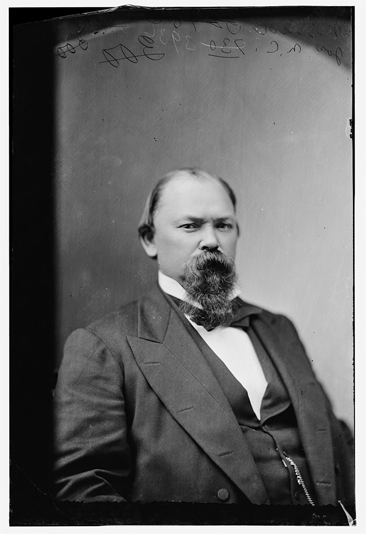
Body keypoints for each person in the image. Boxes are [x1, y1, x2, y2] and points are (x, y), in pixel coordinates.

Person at [53, 168, 354, 507]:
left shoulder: (278, 327)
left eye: (223, 225)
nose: (211, 240)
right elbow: (85, 489)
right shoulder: (104, 345)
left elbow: (336, 442)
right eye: (190, 225)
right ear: (149, 240)